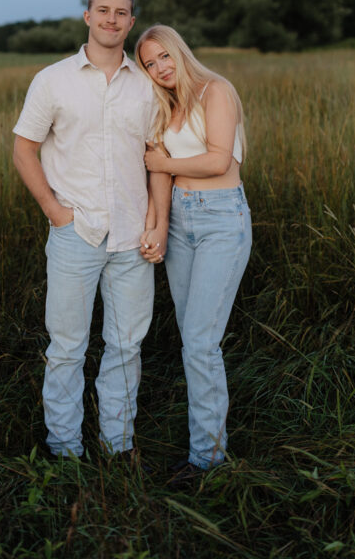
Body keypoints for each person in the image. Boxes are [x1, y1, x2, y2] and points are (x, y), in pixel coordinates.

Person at [13, 0, 169, 461]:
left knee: (125, 348)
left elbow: (156, 157)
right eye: (103, 10)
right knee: (66, 348)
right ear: (87, 17)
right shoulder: (53, 80)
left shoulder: (145, 85)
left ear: (130, 22)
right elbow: (24, 149)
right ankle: (64, 450)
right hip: (75, 233)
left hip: (132, 239)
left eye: (121, 13)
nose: (111, 19)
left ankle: (117, 446)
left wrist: (157, 224)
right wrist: (54, 212)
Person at [135, 25, 252, 476]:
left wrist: (163, 161)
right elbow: (158, 177)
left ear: (179, 52)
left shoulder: (215, 91)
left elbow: (218, 159)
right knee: (193, 342)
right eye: (149, 63)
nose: (160, 68)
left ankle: (207, 460)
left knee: (201, 344)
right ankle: (204, 447)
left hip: (222, 219)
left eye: (164, 56)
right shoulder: (163, 106)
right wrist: (159, 226)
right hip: (181, 221)